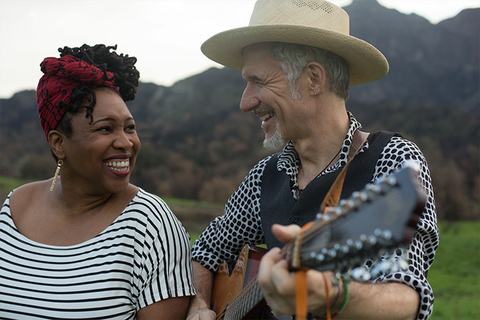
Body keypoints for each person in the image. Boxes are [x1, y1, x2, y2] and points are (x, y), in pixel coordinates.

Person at [188, 1, 438, 320]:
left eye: (259, 81)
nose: (245, 102)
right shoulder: (264, 176)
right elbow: (206, 251)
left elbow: (407, 296)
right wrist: (198, 306)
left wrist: (332, 294)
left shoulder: (391, 160)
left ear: (313, 79)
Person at [0, 44, 195, 319]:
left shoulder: (150, 225)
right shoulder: (15, 208)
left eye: (130, 127)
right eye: (105, 128)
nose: (126, 142)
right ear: (59, 143)